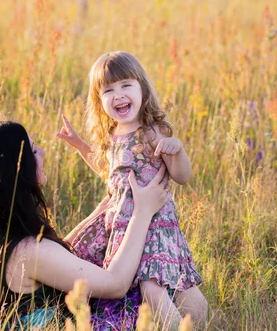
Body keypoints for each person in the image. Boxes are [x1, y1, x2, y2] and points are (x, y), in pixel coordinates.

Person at [0, 121, 169, 329]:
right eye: (32, 151)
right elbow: (116, 284)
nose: (41, 152)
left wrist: (98, 213)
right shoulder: (29, 251)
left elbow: (56, 255)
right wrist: (143, 212)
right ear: (16, 170)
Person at [57, 51, 209, 328]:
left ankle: (193, 322)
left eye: (126, 85)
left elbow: (181, 176)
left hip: (154, 225)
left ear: (142, 88)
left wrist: (177, 151)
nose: (119, 95)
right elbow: (108, 171)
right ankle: (197, 321)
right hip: (124, 229)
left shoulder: (152, 132)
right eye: (109, 90)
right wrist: (80, 146)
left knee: (156, 286)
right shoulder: (111, 135)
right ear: (98, 99)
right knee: (160, 285)